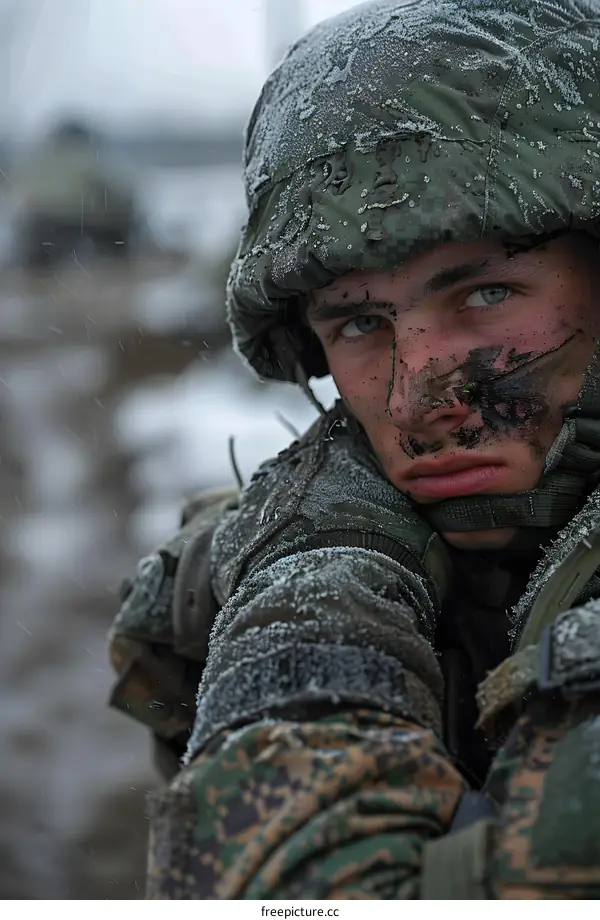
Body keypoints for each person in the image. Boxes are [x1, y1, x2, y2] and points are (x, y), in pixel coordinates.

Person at [108, 0, 600, 899]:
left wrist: (319, 567)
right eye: (362, 322)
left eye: (487, 295)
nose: (418, 400)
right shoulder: (365, 552)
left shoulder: (327, 542)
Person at [9, 118, 138, 267]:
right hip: (75, 219)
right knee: (117, 227)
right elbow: (110, 188)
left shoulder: (36, 159)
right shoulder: (85, 157)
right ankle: (117, 264)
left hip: (39, 220)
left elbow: (20, 191)